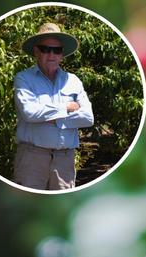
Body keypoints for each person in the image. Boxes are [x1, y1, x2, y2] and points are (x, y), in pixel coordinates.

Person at [13, 23, 94, 190]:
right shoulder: (24, 79)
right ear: (36, 51)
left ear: (61, 54)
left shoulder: (73, 80)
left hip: (64, 160)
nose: (51, 54)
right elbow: (30, 113)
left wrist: (51, 118)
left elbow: (88, 118)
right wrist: (66, 107)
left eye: (56, 50)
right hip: (32, 158)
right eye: (45, 49)